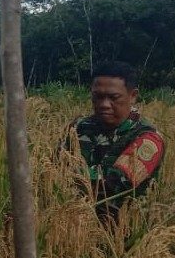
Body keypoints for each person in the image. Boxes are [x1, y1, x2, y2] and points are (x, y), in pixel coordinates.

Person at [69, 61, 165, 220]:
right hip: (74, 222)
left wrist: (70, 176)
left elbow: (115, 184)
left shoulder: (148, 138)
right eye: (97, 97)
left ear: (133, 96)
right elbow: (53, 172)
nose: (104, 104)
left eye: (113, 97)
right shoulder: (78, 128)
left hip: (125, 227)